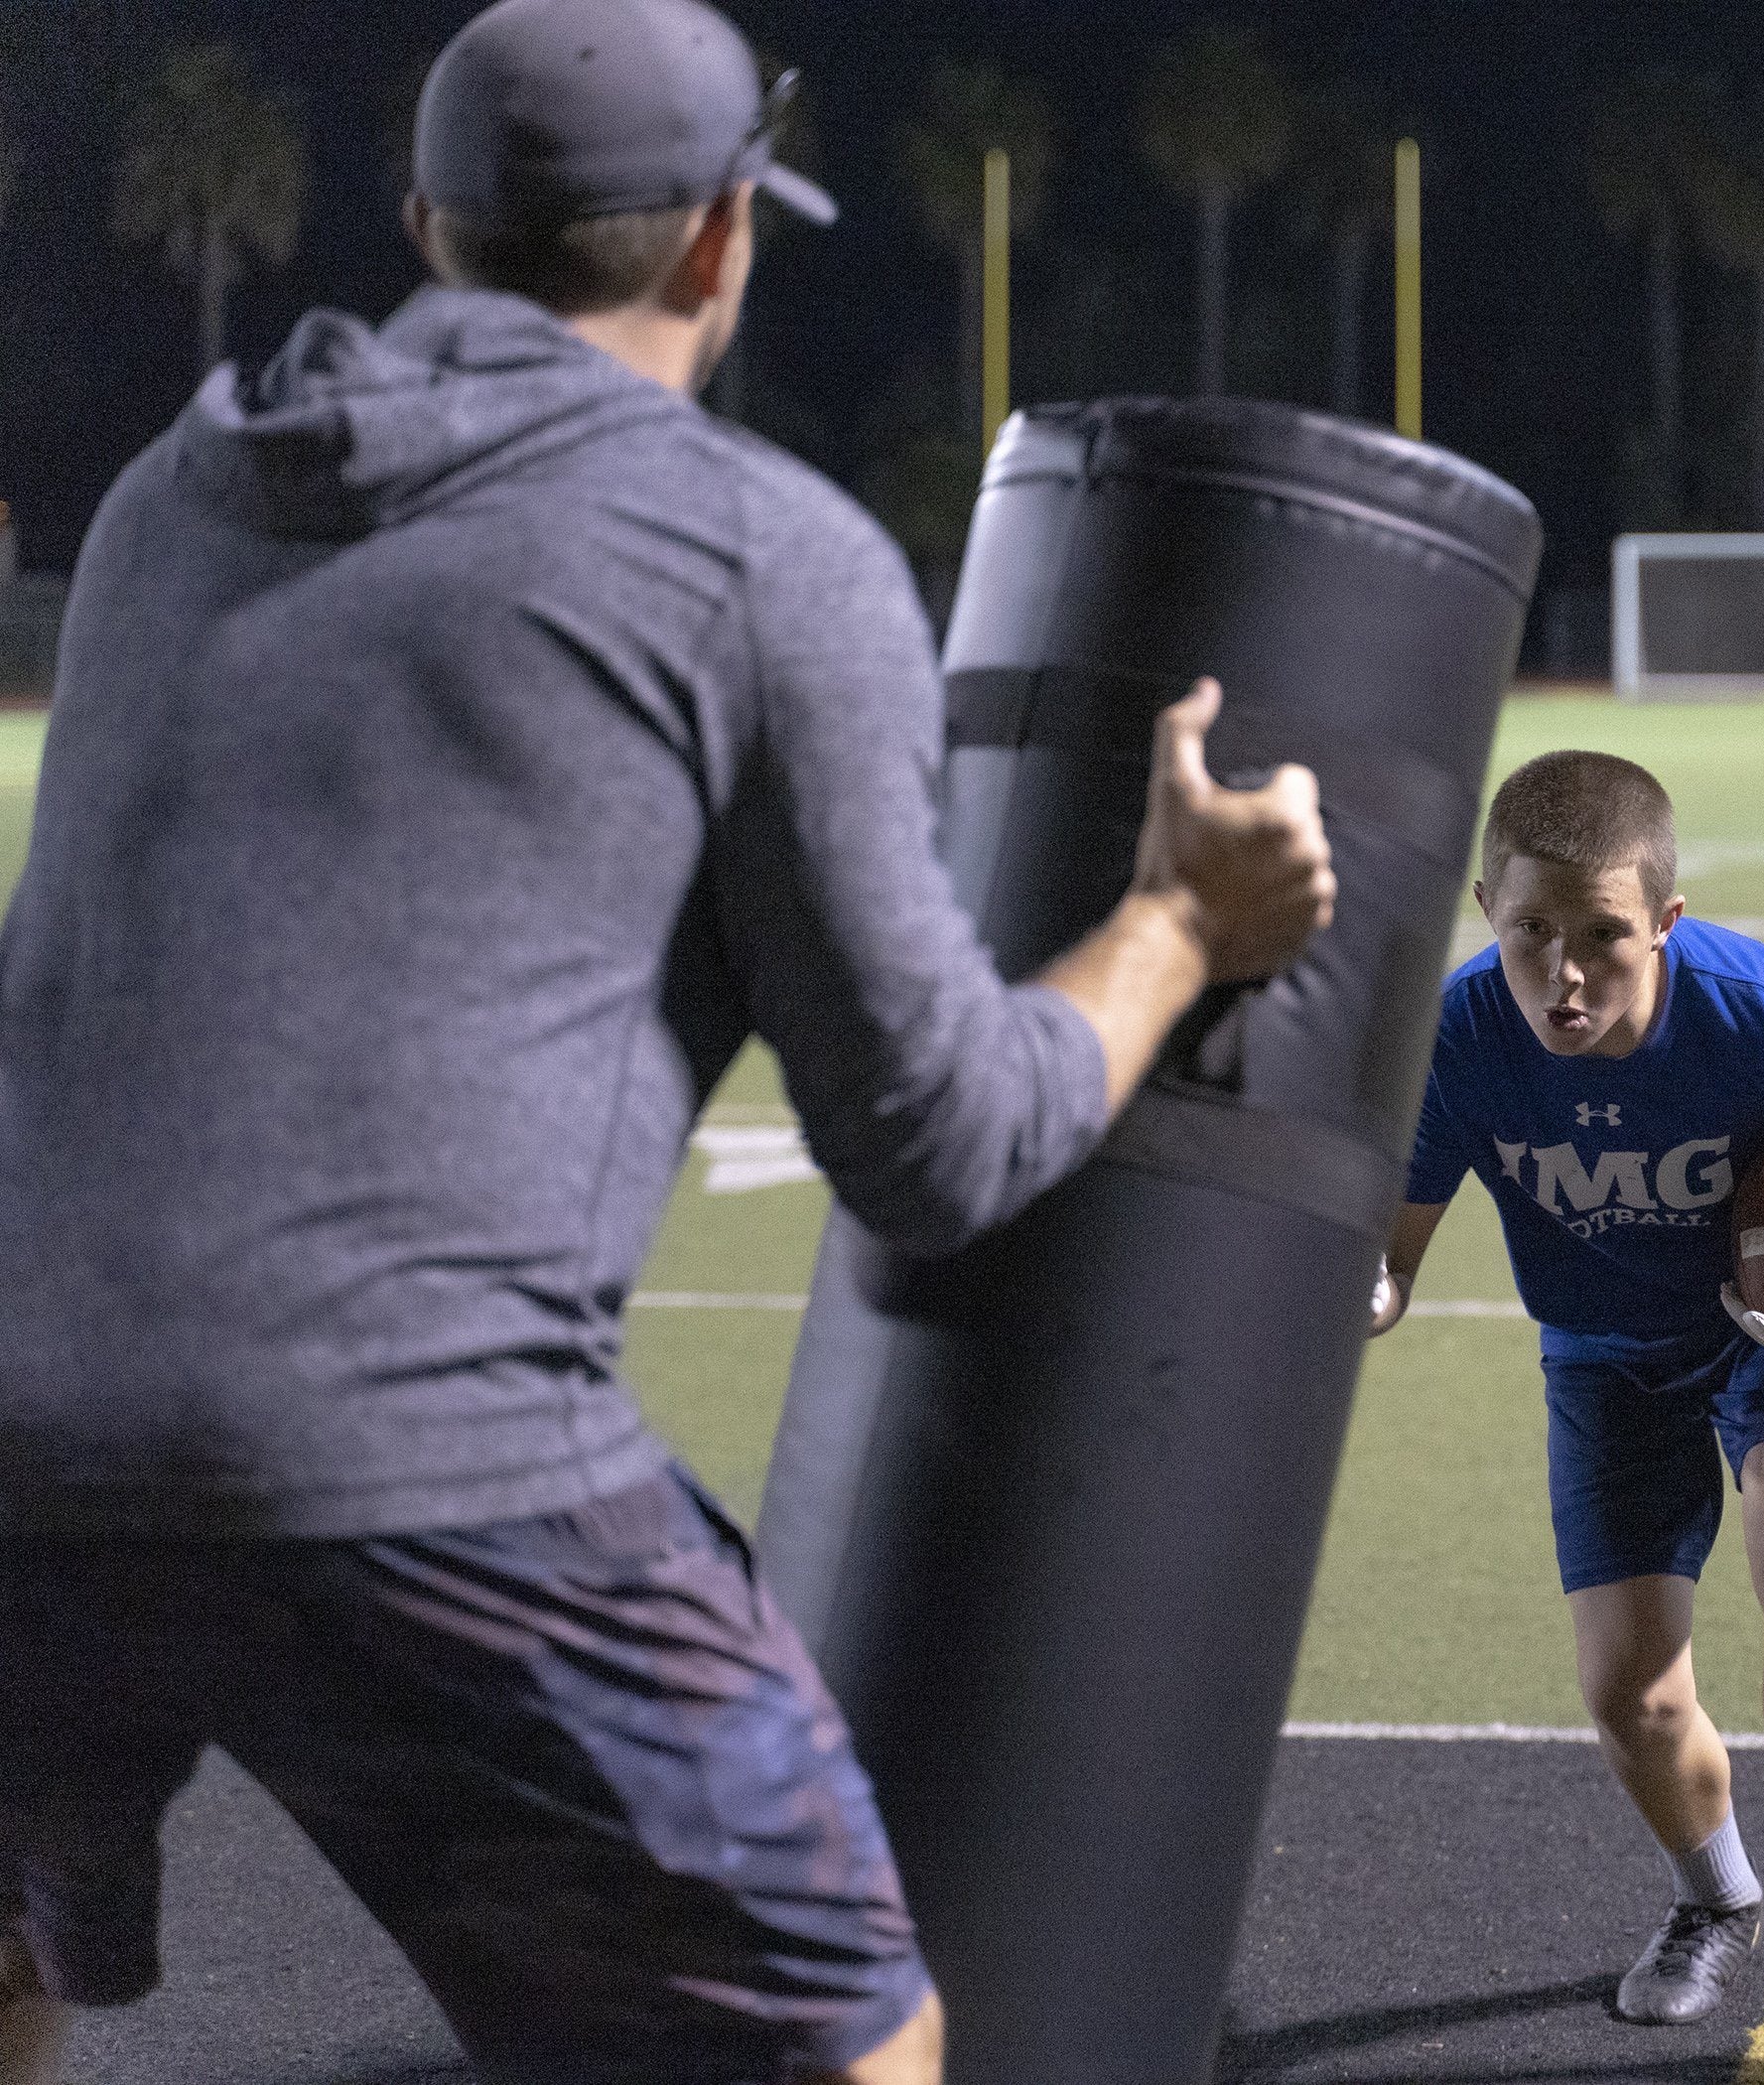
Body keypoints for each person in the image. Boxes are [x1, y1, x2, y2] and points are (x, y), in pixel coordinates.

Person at [0, 4, 1338, 2082]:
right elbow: (938, 1145)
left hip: (15, 1437)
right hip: (420, 1452)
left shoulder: (168, 498)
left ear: (429, 225)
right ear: (722, 238)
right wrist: (1180, 926)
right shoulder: (752, 550)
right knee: (850, 2047)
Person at [1369, 751, 1764, 2070]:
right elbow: (1394, 1253)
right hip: (1604, 1356)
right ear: (1486, 908)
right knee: (1630, 1697)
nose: (1565, 974)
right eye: (1531, 933)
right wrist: (1352, 1292)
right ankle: (1716, 1899)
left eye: (1604, 935)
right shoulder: (1461, 1037)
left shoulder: (1759, 1010)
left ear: (1665, 919)